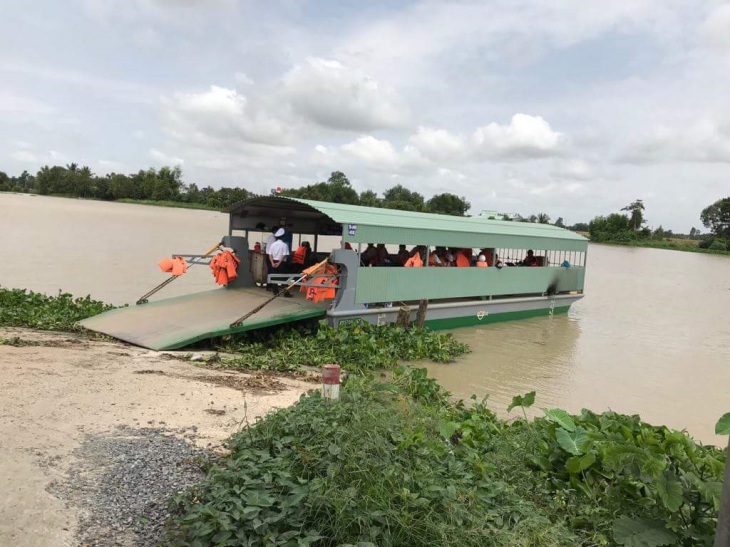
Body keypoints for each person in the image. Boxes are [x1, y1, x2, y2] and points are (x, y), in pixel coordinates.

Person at [267, 228, 292, 296]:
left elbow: (270, 255)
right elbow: (284, 255)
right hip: (282, 263)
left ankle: (276, 292)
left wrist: (272, 263)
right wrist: (279, 263)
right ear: (283, 237)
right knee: (284, 278)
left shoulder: (273, 245)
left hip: (274, 262)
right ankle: (286, 294)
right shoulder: (284, 245)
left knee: (274, 278)